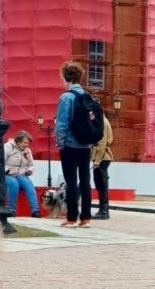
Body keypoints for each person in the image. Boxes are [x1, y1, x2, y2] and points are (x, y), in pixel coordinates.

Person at [55, 62, 94, 227]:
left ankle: (71, 217)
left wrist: (61, 144)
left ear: (67, 78)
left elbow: (62, 124)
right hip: (85, 145)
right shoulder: (87, 97)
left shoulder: (66, 97)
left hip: (70, 145)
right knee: (85, 181)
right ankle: (86, 217)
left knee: (71, 181)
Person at [4, 130, 40, 217]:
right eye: (25, 143)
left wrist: (30, 170)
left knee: (28, 184)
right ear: (18, 141)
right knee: (14, 184)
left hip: (21, 174)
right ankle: (11, 209)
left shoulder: (27, 151)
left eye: (28, 143)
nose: (27, 145)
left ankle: (35, 210)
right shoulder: (8, 147)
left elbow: (31, 165)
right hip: (8, 174)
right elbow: (0, 161)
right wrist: (7, 170)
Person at [91, 114, 113, 220]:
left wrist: (97, 160)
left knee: (102, 185)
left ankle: (104, 211)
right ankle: (103, 210)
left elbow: (102, 143)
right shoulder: (100, 121)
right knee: (100, 186)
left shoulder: (102, 122)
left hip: (102, 158)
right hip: (100, 158)